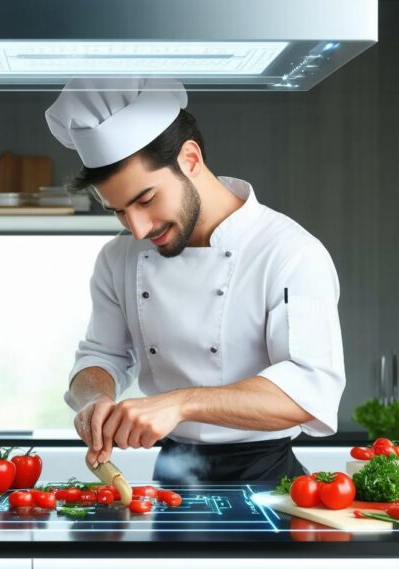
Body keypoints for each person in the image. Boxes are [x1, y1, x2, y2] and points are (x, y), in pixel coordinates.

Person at [45, 78, 345, 483]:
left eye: (146, 200)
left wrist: (180, 404)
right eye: (118, 211)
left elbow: (311, 391)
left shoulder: (289, 252)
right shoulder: (118, 258)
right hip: (171, 475)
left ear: (190, 158)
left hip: (268, 477)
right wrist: (94, 400)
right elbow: (100, 357)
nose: (136, 229)